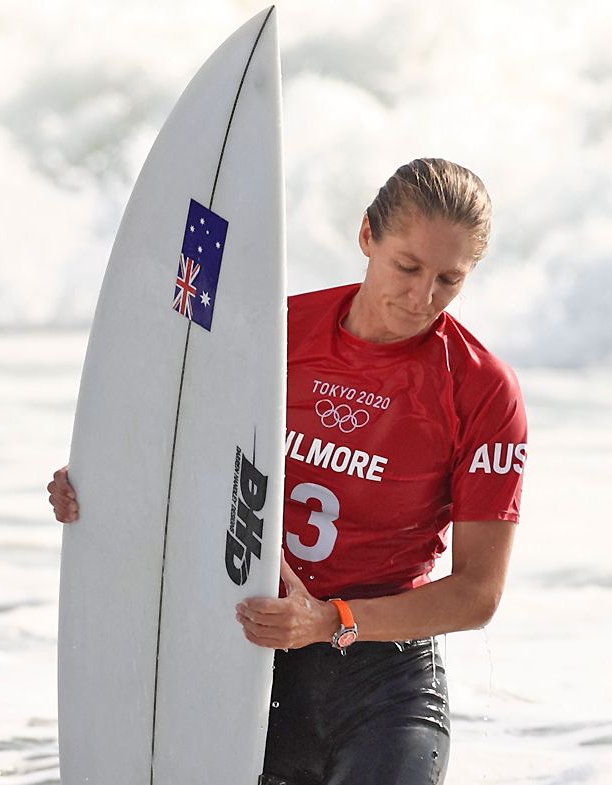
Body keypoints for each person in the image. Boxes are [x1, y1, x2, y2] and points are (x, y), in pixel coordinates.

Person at [47, 158, 528, 785]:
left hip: (383, 681)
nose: (422, 297)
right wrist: (97, 483)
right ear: (366, 237)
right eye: (407, 267)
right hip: (243, 670)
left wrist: (332, 621)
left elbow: (477, 594)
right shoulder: (272, 336)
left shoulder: (481, 390)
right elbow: (170, 449)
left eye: (449, 280)